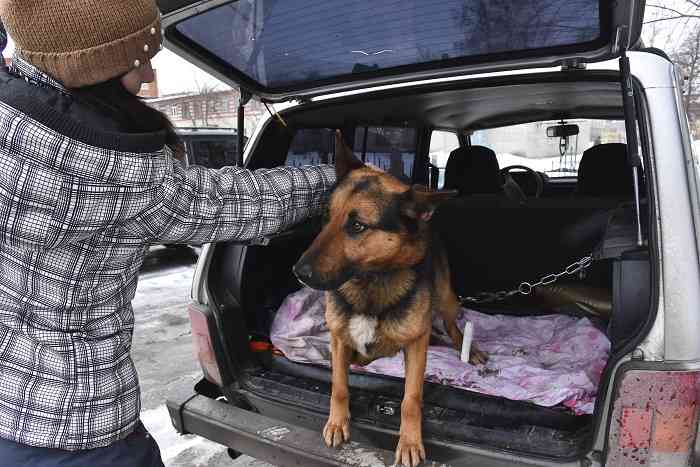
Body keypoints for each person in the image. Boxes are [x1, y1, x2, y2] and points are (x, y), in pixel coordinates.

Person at [0, 1, 335, 465]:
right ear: (99, 67)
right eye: (139, 60)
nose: (150, 69)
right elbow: (239, 203)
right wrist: (338, 180)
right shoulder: (111, 170)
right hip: (79, 428)